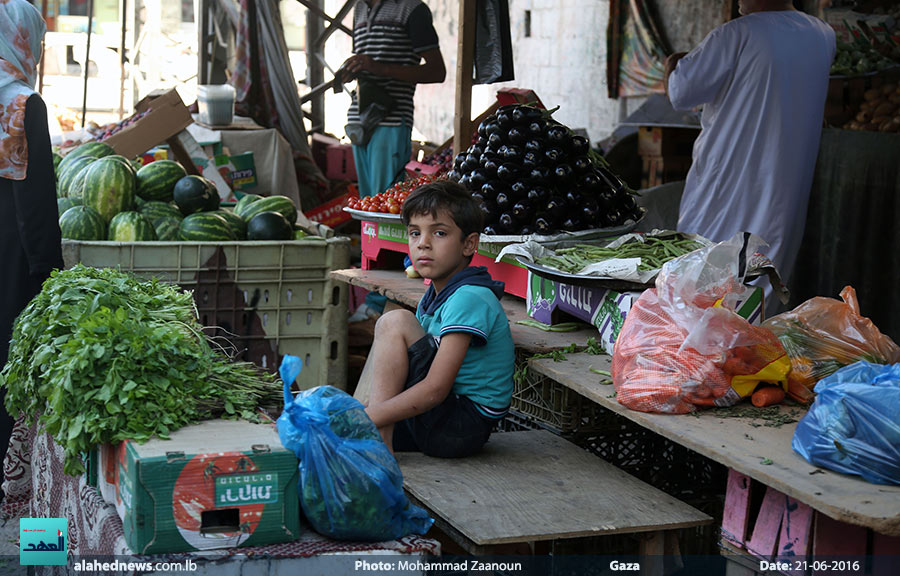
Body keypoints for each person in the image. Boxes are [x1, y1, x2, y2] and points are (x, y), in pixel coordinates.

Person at [664, 0, 835, 308]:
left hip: (728, 174)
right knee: (766, 261)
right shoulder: (822, 34)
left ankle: (699, 338)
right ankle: (751, 340)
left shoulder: (736, 34)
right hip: (785, 178)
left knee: (705, 261)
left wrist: (673, 66)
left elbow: (681, 92)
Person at [358, 181, 514, 457]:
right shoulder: (438, 293)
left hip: (460, 425)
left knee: (395, 321)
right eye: (414, 233)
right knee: (342, 415)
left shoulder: (470, 298)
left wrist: (369, 417)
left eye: (439, 233)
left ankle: (380, 443)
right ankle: (377, 433)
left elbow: (434, 390)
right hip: (442, 416)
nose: (423, 244)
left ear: (469, 244)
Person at [0, 0, 64, 487]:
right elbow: (36, 205)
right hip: (11, 261)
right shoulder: (23, 103)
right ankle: (29, 525)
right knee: (15, 382)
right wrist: (52, 279)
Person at [341, 0, 446, 199]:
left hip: (392, 120)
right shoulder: (360, 9)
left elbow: (437, 71)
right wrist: (354, 71)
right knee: (367, 204)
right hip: (359, 120)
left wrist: (378, 68)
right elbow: (367, 61)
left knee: (387, 202)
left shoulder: (412, 9)